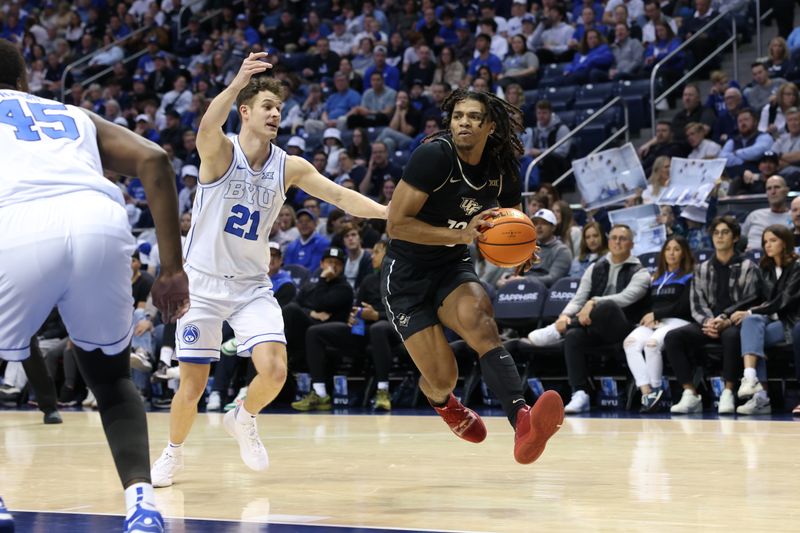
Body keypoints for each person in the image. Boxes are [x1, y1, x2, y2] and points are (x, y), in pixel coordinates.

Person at [150, 53, 386, 487]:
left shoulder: (289, 165)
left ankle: (243, 416)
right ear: (245, 111)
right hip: (200, 283)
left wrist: (387, 212)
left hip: (251, 286)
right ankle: (172, 452)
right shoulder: (220, 153)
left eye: (279, 109)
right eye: (267, 107)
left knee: (276, 370)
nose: (276, 114)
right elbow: (206, 125)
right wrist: (239, 79)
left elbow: (343, 198)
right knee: (192, 387)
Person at [0, 40, 190, 533]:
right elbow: (154, 160)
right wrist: (171, 270)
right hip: (99, 221)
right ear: (24, 81)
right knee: (109, 378)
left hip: (17, 223)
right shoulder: (71, 114)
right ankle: (142, 507)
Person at [382, 88, 564, 465]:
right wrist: (462, 235)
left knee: (481, 321)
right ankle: (444, 404)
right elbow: (396, 225)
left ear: (490, 126)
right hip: (406, 276)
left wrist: (523, 251)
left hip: (450, 267)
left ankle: (522, 422)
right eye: (458, 116)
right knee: (442, 378)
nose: (464, 122)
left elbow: (514, 223)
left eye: (474, 117)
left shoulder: (502, 167)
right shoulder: (434, 156)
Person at [528, 225, 651, 414]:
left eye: (623, 238)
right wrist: (563, 316)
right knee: (574, 336)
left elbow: (626, 298)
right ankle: (580, 393)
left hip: (623, 329)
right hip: (592, 328)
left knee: (607, 306)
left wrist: (594, 302)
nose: (617, 242)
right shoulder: (595, 267)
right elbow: (579, 297)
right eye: (614, 237)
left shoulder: (640, 272)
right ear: (608, 241)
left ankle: (557, 330)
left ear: (632, 244)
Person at [664, 216, 759, 415]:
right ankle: (690, 393)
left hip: (734, 322)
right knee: (673, 337)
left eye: (725, 233)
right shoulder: (702, 268)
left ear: (734, 238)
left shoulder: (748, 267)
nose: (719, 237)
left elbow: (750, 299)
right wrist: (709, 322)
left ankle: (728, 391)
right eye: (716, 233)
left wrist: (725, 319)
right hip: (707, 322)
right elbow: (696, 302)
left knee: (732, 336)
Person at [729, 225, 800, 415]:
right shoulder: (765, 268)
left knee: (753, 332)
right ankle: (750, 379)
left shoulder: (797, 266)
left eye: (773, 240)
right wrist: (727, 314)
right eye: (765, 242)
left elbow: (784, 300)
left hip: (789, 322)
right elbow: (753, 297)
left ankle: (761, 398)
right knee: (751, 324)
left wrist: (750, 312)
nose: (767, 245)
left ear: (785, 242)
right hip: (769, 319)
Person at [623, 236, 694, 412]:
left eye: (676, 249)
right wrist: (650, 316)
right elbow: (646, 305)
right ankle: (647, 392)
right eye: (668, 249)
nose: (671, 253)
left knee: (651, 344)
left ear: (684, 253)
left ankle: (656, 388)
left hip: (678, 321)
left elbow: (684, 306)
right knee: (630, 343)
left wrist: (658, 314)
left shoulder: (689, 276)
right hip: (656, 323)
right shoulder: (656, 277)